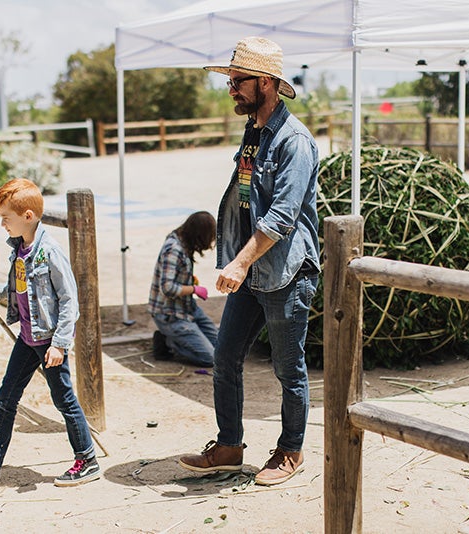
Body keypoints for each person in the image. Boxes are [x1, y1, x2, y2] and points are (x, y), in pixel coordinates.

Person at [178, 36, 320, 486]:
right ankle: (229, 447)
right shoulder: (255, 133)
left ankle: (291, 450)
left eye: (237, 82)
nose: (231, 89)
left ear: (265, 82)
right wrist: (238, 259)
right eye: (230, 82)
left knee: (287, 367)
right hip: (253, 270)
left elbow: (281, 216)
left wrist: (237, 263)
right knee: (225, 356)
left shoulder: (294, 141)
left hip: (285, 275)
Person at [0, 178, 99, 488]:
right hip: (27, 339)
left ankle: (87, 460)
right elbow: (21, 289)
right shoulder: (19, 249)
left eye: (6, 217)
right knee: (6, 399)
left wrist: (59, 344)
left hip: (48, 343)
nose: (2, 223)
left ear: (27, 216)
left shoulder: (49, 251)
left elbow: (70, 300)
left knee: (65, 401)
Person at [149, 211, 218, 367]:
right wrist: (193, 289)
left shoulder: (185, 242)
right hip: (170, 314)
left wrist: (188, 280)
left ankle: (179, 337)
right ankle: (167, 341)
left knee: (223, 349)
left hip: (187, 308)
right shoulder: (173, 250)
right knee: (211, 358)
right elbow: (167, 288)